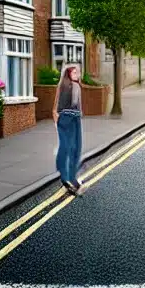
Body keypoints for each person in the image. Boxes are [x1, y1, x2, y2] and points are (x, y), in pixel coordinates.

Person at [53, 64, 85, 196]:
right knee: (71, 148)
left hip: (70, 118)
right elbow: (63, 103)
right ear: (68, 74)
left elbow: (75, 104)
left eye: (78, 72)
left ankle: (67, 176)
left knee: (70, 147)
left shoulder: (71, 85)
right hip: (68, 118)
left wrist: (55, 113)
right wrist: (56, 113)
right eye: (74, 72)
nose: (77, 74)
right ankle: (68, 176)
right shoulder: (69, 86)